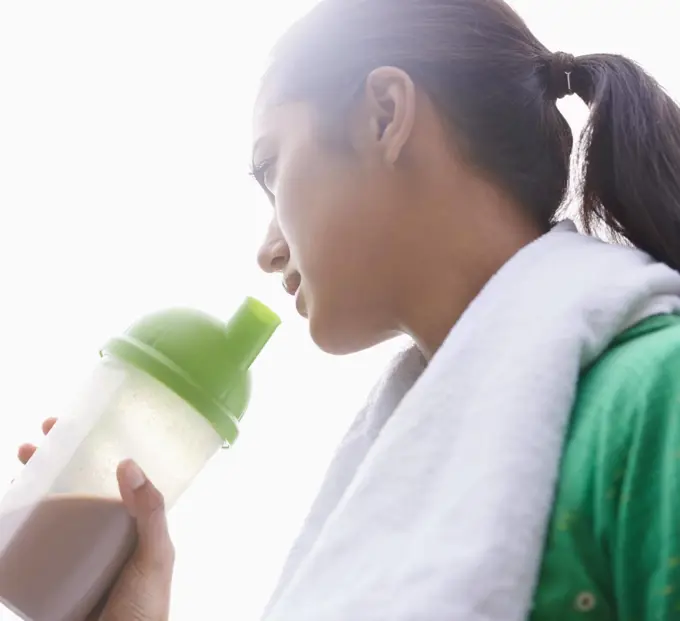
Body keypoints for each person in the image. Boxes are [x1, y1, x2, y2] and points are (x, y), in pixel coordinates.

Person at [18, 0, 680, 619]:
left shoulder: (659, 394)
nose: (267, 252)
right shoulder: (392, 478)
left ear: (386, 115)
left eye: (272, 166)